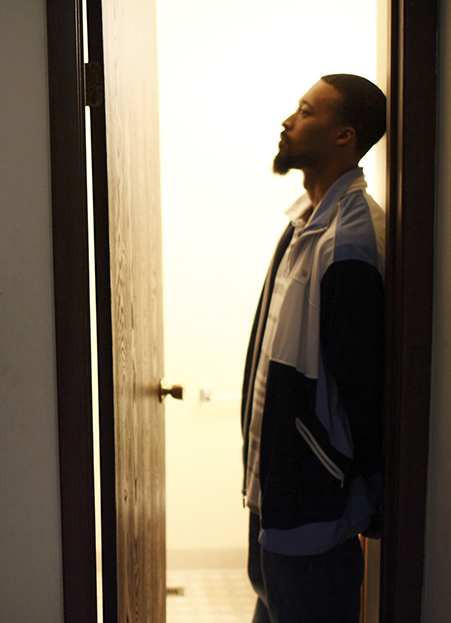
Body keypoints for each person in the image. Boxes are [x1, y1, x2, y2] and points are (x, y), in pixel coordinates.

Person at [241, 74, 386, 623]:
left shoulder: (350, 241)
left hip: (312, 504)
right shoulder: (306, 223)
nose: (287, 121)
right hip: (273, 490)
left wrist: (372, 491)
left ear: (344, 136)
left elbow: (363, 382)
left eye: (305, 111)